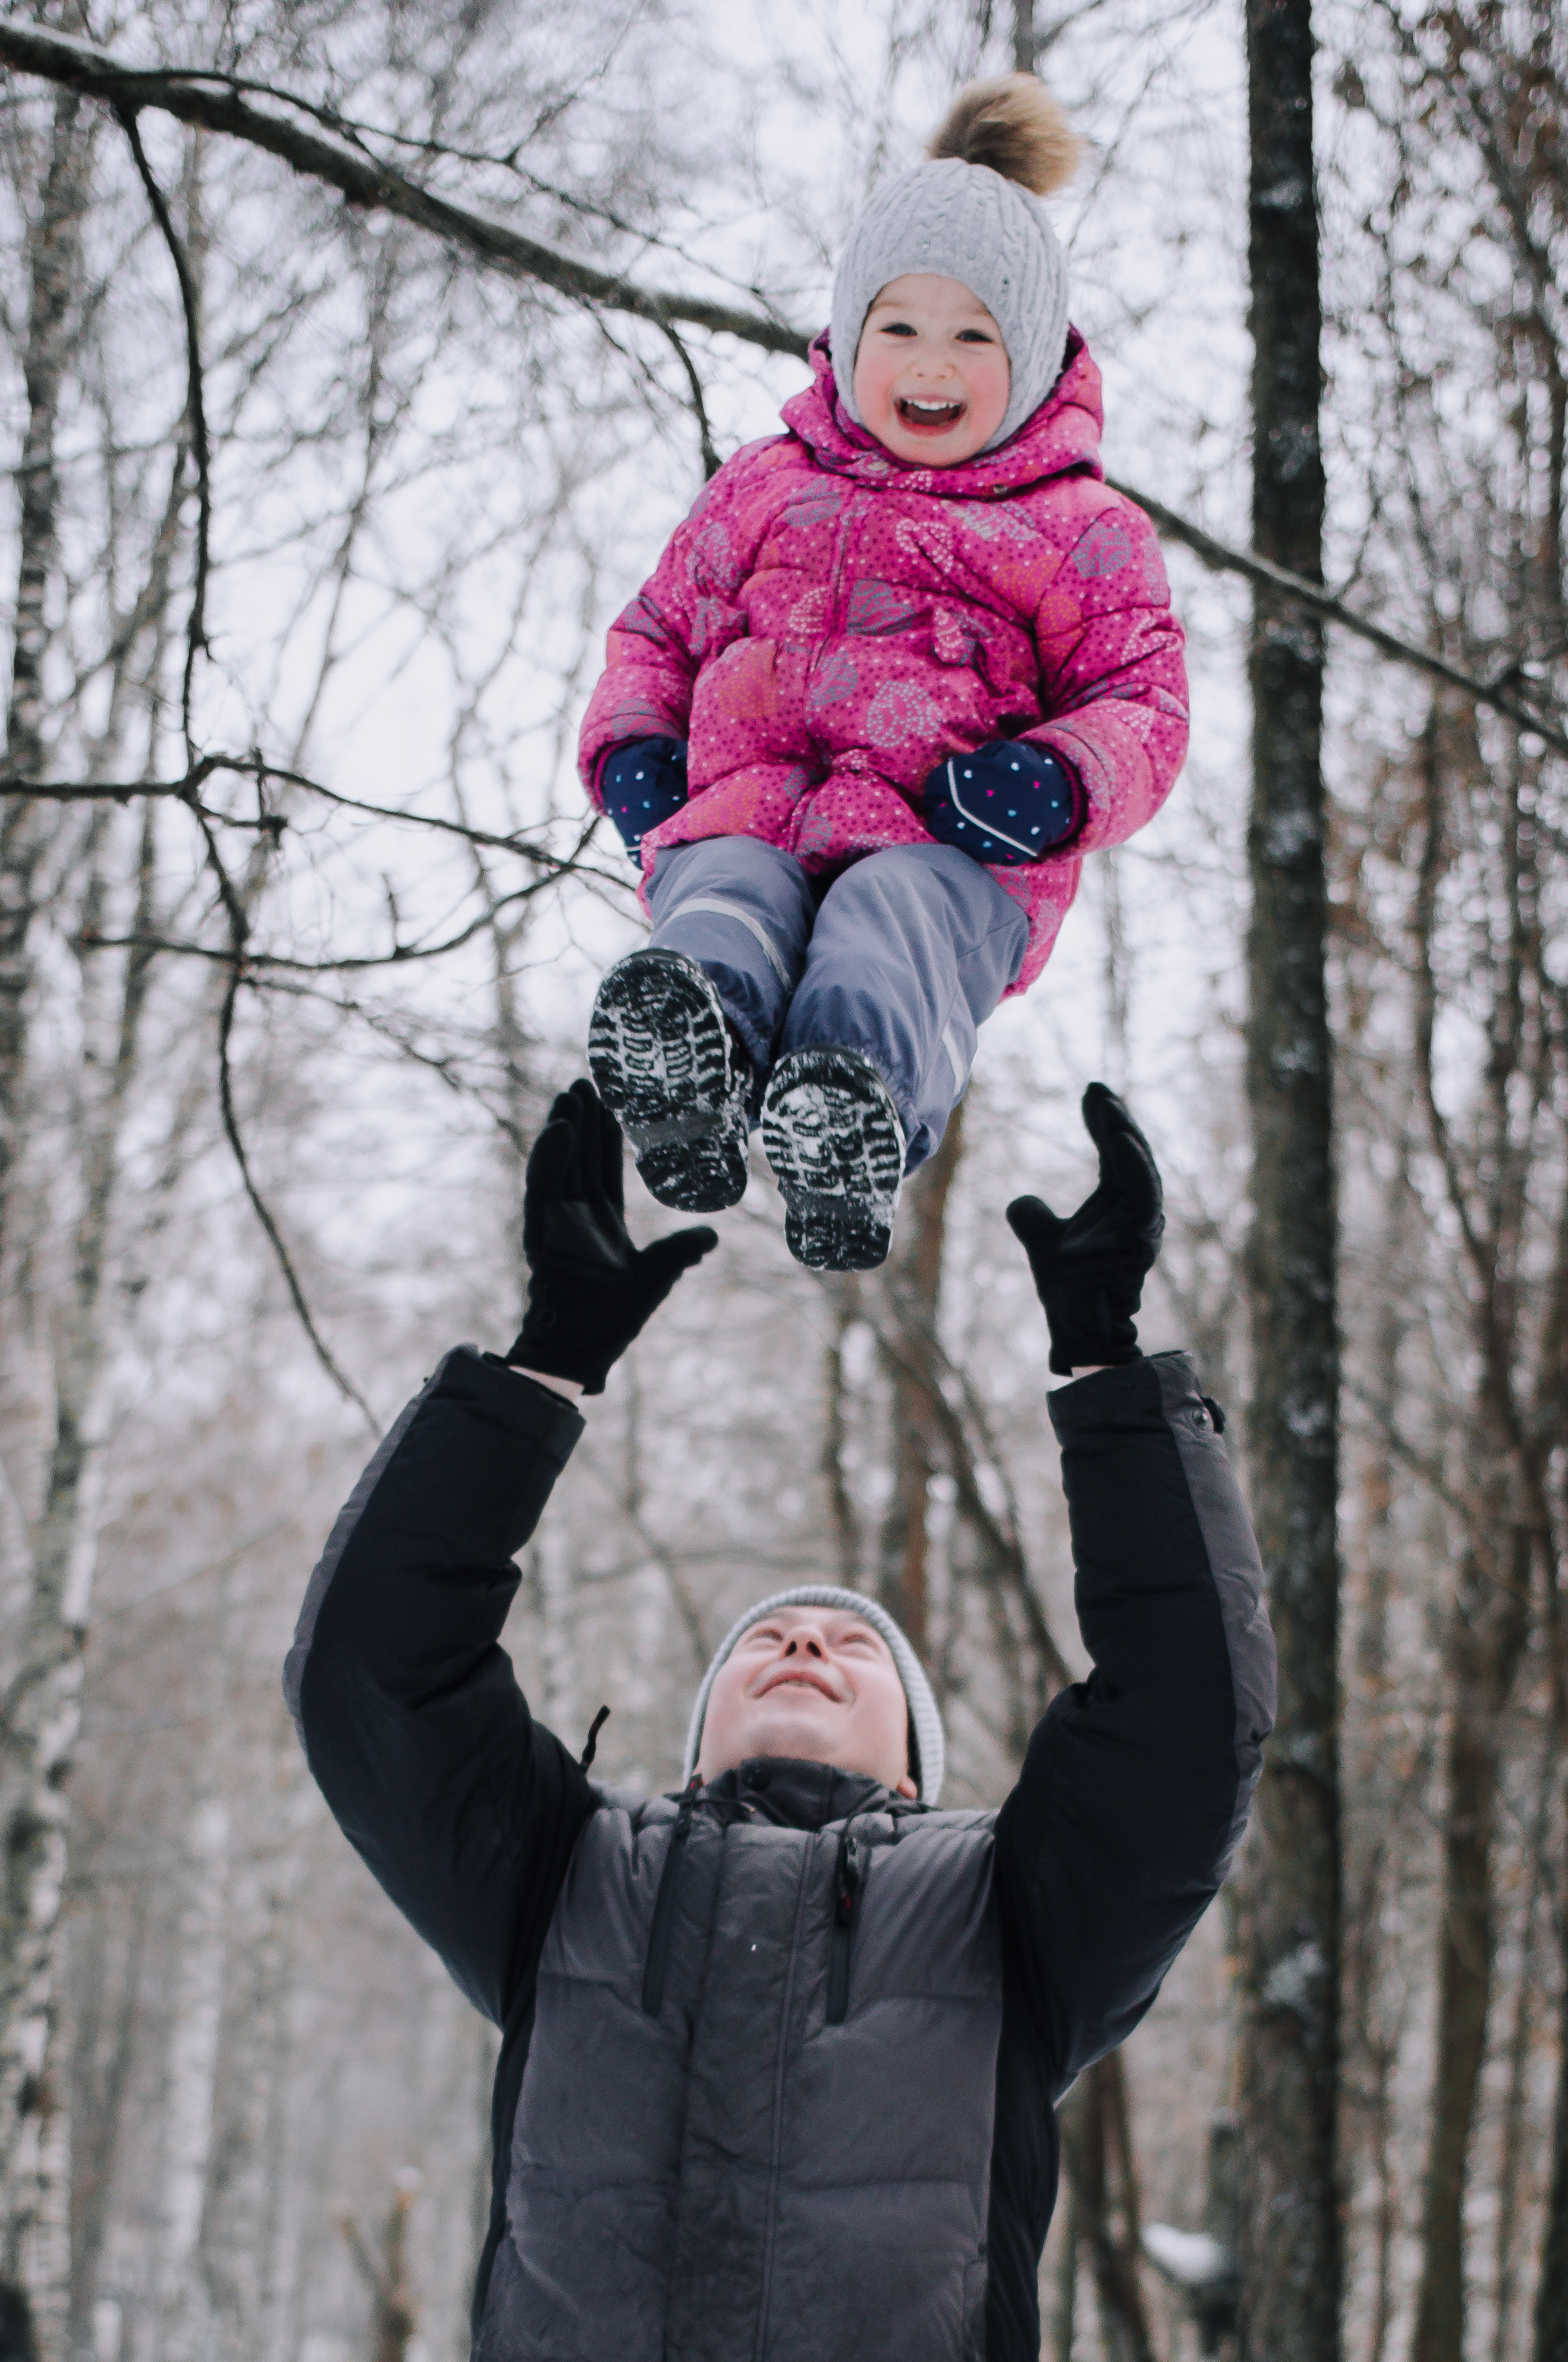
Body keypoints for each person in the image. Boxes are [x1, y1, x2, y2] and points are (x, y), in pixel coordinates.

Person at [285, 1078, 1275, 2362]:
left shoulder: (1012, 1915)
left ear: (917, 1771)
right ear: (696, 1743)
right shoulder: (563, 1877)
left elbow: (1189, 1724)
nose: (804, 1640)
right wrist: (544, 1364)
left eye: (853, 1644)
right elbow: (375, 1674)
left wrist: (1108, 1365)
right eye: (765, 1639)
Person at [578, 74, 1189, 1272]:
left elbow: (1144, 703)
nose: (932, 362)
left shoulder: (1077, 527)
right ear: (851, 335)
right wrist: (634, 750)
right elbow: (658, 627)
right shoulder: (764, 482)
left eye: (973, 335)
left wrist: (1060, 780)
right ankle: (687, 1059)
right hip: (746, 812)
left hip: (948, 848)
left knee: (882, 922)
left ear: (1028, 355)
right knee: (727, 898)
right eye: (899, 327)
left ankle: (847, 1111)